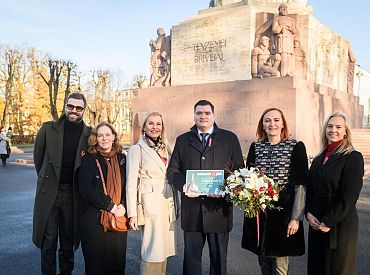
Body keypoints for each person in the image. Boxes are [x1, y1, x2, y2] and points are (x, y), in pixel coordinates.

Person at [167, 99, 244, 275]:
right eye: (199, 113)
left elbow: (239, 171)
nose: (203, 116)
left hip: (219, 211)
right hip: (192, 212)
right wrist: (184, 185)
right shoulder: (182, 140)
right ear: (194, 116)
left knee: (219, 262)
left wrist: (225, 188)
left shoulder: (229, 138)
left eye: (207, 113)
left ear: (214, 115)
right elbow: (173, 172)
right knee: (192, 263)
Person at [241, 107, 308, 275]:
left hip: (283, 213)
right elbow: (249, 178)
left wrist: (296, 218)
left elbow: (300, 184)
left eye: (276, 120)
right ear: (262, 125)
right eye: (267, 121)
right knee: (263, 259)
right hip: (260, 212)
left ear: (283, 124)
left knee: (279, 264)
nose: (272, 124)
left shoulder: (295, 146)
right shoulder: (256, 147)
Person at [33, 93, 91, 275]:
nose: (74, 111)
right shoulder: (47, 129)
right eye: (70, 106)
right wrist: (48, 181)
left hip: (73, 195)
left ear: (84, 110)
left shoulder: (89, 134)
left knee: (68, 242)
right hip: (50, 191)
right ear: (65, 106)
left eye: (78, 108)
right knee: (48, 241)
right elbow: (38, 159)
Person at [306, 112, 364, 275]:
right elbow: (310, 189)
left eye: (339, 127)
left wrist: (329, 221)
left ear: (346, 131)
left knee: (337, 269)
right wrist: (308, 213)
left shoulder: (353, 157)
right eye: (330, 126)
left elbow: (350, 195)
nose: (333, 130)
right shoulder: (318, 158)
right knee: (317, 268)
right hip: (316, 222)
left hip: (339, 224)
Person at [126, 111, 177, 275]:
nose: (155, 127)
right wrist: (132, 213)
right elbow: (131, 183)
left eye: (158, 124)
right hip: (150, 202)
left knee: (163, 249)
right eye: (151, 123)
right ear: (144, 127)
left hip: (167, 201)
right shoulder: (136, 149)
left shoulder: (166, 147)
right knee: (152, 249)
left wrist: (179, 204)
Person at [78, 122, 128, 275]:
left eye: (107, 134)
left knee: (117, 265)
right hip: (95, 220)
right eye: (100, 135)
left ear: (113, 136)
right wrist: (110, 206)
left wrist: (124, 205)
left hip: (118, 218)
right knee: (96, 266)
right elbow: (87, 190)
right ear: (95, 138)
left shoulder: (122, 159)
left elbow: (130, 185)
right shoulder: (88, 159)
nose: (104, 138)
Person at [272, 4, 297, 77]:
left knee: (289, 55)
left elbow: (295, 30)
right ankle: (283, 73)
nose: (285, 10)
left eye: (286, 8)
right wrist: (281, 27)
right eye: (283, 9)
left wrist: (290, 29)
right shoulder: (276, 19)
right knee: (283, 55)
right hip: (281, 38)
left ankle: (289, 72)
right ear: (280, 10)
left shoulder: (291, 20)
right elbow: (274, 30)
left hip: (289, 39)